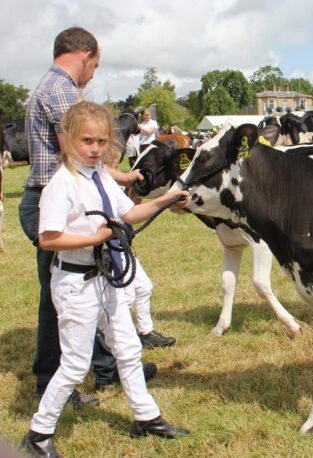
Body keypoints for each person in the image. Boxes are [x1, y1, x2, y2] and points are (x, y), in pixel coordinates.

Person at [20, 101, 190, 457]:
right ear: (66, 140)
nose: (95, 149)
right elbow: (48, 238)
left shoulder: (98, 177)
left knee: (128, 349)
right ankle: (38, 434)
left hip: (105, 277)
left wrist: (167, 199)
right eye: (87, 141)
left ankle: (146, 417)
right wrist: (95, 239)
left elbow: (128, 213)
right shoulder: (61, 184)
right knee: (75, 365)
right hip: (75, 282)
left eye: (101, 142)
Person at [18, 26, 153, 411]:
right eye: (95, 65)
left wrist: (120, 179)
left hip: (51, 197)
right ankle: (51, 382)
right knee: (63, 294)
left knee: (89, 283)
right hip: (57, 203)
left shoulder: (46, 85)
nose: (93, 74)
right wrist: (121, 178)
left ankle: (108, 368)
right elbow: (81, 154)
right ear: (85, 55)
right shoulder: (62, 90)